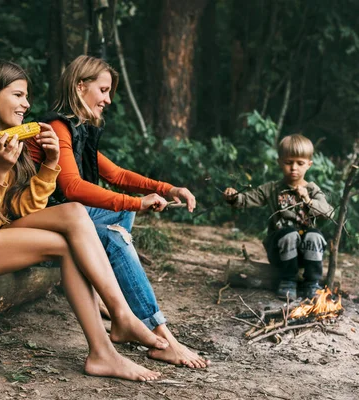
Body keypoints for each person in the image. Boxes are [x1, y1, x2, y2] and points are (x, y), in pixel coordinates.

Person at [0, 59, 170, 382]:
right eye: (19, 95)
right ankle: (108, 341)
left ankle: (114, 327)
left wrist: (49, 164)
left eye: (27, 96)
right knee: (65, 245)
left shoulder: (3, 141)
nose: (27, 105)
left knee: (74, 213)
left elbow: (20, 208)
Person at [26, 55, 209, 368]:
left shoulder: (75, 128)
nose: (108, 99)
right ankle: (159, 331)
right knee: (115, 233)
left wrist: (168, 189)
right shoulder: (57, 127)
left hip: (62, 216)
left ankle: (110, 300)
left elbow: (117, 175)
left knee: (120, 220)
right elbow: (71, 187)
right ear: (80, 86)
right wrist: (137, 202)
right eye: (104, 90)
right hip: (36, 222)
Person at [223, 134, 334, 300]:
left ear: (309, 165)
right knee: (289, 234)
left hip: (306, 254)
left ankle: (312, 283)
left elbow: (329, 213)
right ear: (280, 162)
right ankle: (288, 281)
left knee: (314, 235)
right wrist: (233, 197)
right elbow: (246, 199)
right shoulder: (272, 189)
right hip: (280, 253)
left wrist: (308, 200)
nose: (294, 168)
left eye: (300, 163)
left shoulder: (312, 190)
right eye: (289, 162)